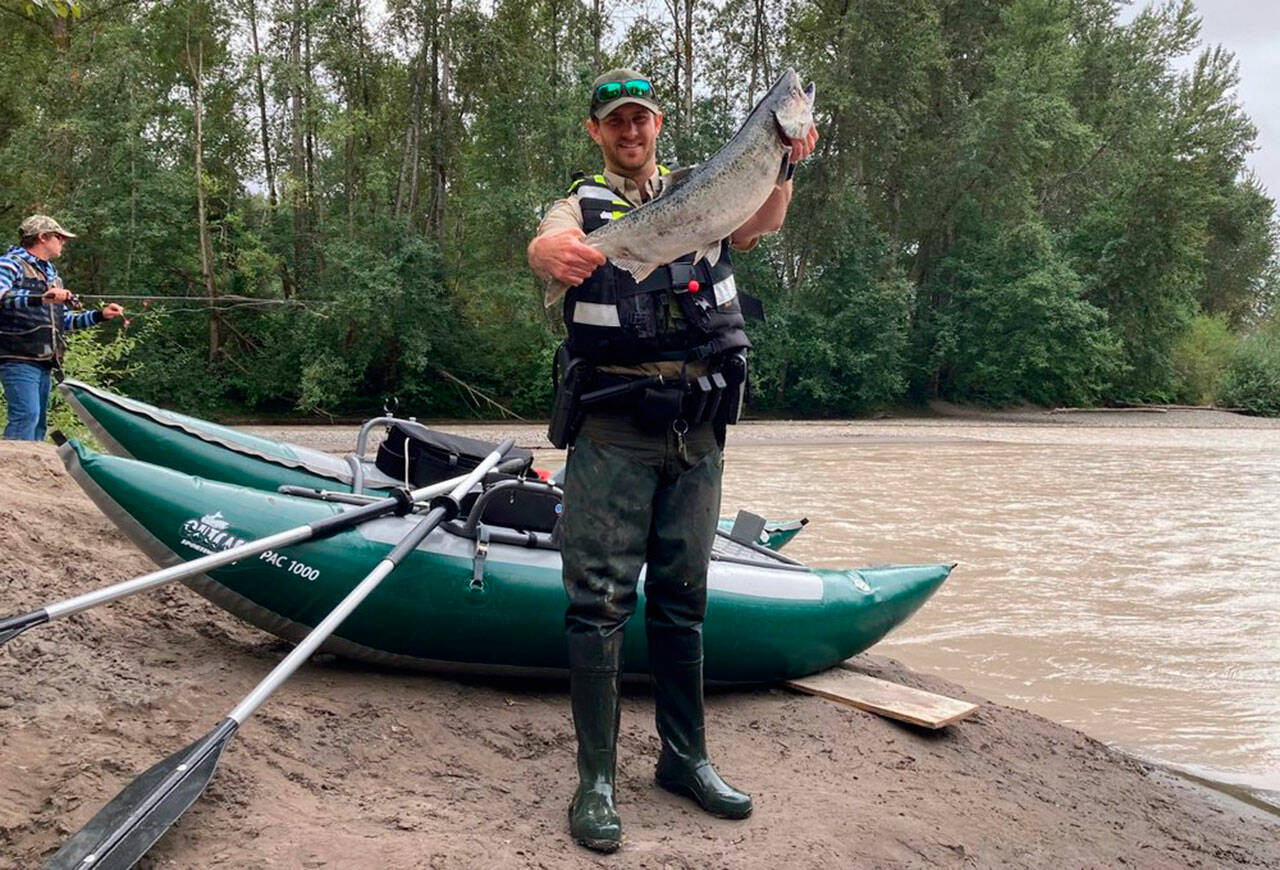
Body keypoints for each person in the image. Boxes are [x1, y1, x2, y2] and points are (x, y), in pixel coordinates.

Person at [527, 69, 817, 853]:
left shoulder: (704, 186)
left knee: (685, 600)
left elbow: (759, 227)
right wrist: (548, 253)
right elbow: (546, 244)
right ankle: (595, 783)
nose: (630, 133)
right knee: (598, 603)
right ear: (596, 131)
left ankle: (684, 761)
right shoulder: (578, 204)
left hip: (699, 424)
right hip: (614, 428)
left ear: (659, 123)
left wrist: (784, 164)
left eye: (641, 120)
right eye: (615, 122)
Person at [0, 215, 124, 441]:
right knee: (26, 416)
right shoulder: (9, 263)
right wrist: (42, 298)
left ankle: (29, 474)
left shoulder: (53, 277)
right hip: (16, 356)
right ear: (42, 237)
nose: (63, 242)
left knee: (38, 422)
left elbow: (65, 321)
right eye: (59, 237)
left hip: (44, 359)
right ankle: (8, 474)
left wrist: (100, 315)